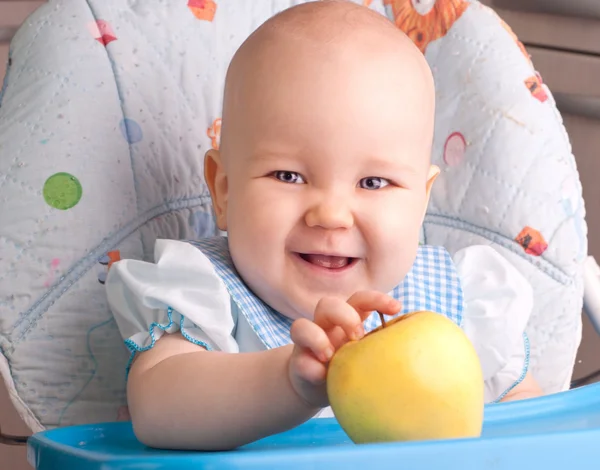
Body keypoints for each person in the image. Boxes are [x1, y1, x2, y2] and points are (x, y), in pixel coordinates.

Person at [105, 0, 542, 452]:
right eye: (289, 176)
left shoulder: (460, 306)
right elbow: (157, 409)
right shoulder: (205, 296)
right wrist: (288, 383)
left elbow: (533, 432)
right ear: (224, 190)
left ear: (421, 201)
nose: (331, 214)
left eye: (373, 182)